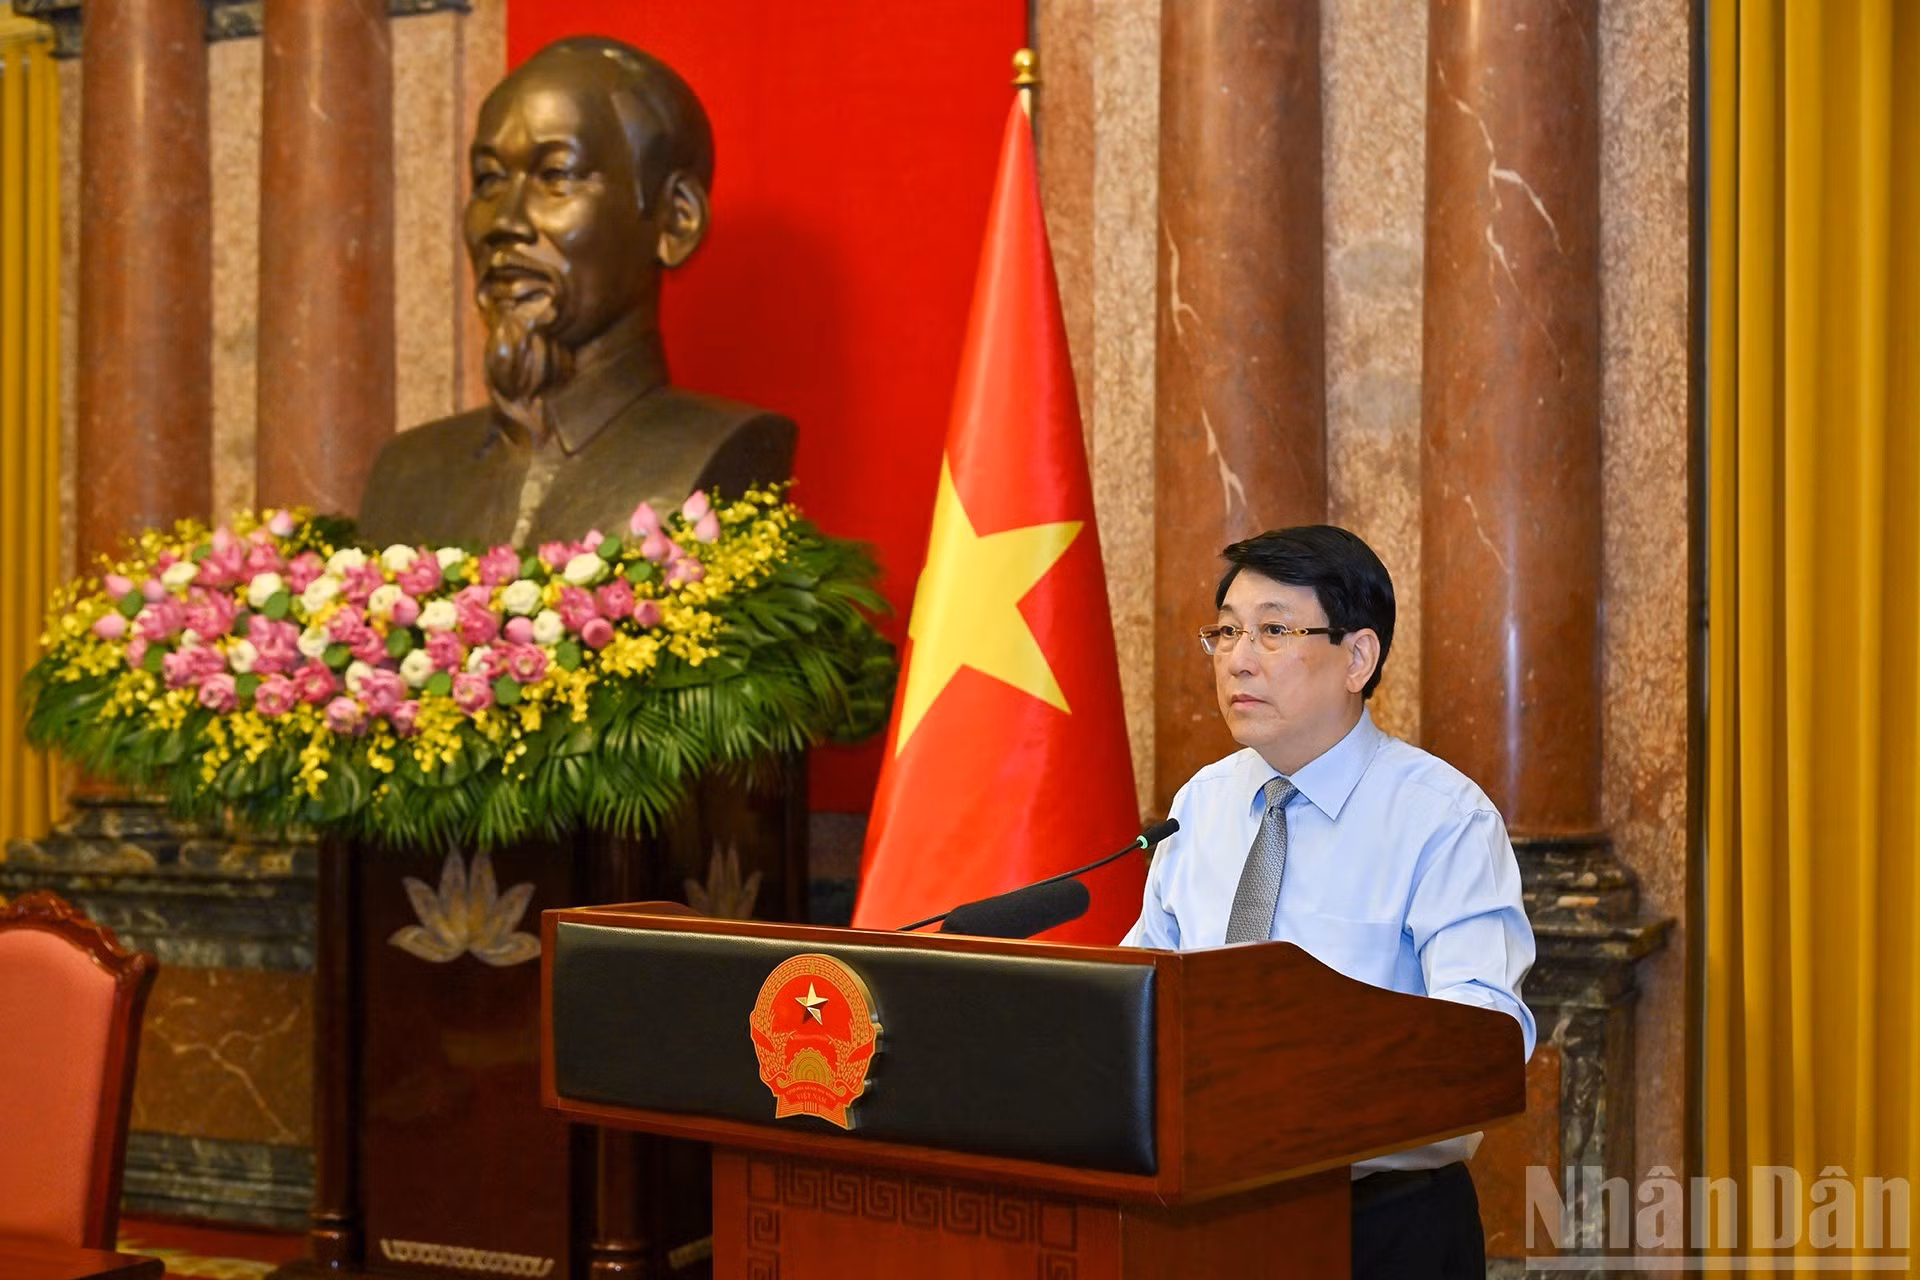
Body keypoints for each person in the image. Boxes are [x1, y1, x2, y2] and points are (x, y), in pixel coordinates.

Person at [1122, 525, 1536, 1280]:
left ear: (1358, 657)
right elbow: (1140, 998)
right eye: (1226, 631)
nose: (1238, 658)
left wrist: (1297, 1107)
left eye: (1273, 630)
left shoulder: (1442, 819)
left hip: (1381, 1227)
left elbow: (1484, 1040)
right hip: (1201, 1221)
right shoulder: (1201, 804)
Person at [358, 36, 795, 548]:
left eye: (555, 175)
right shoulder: (406, 473)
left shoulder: (721, 449)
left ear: (676, 221)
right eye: (489, 179)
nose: (505, 221)